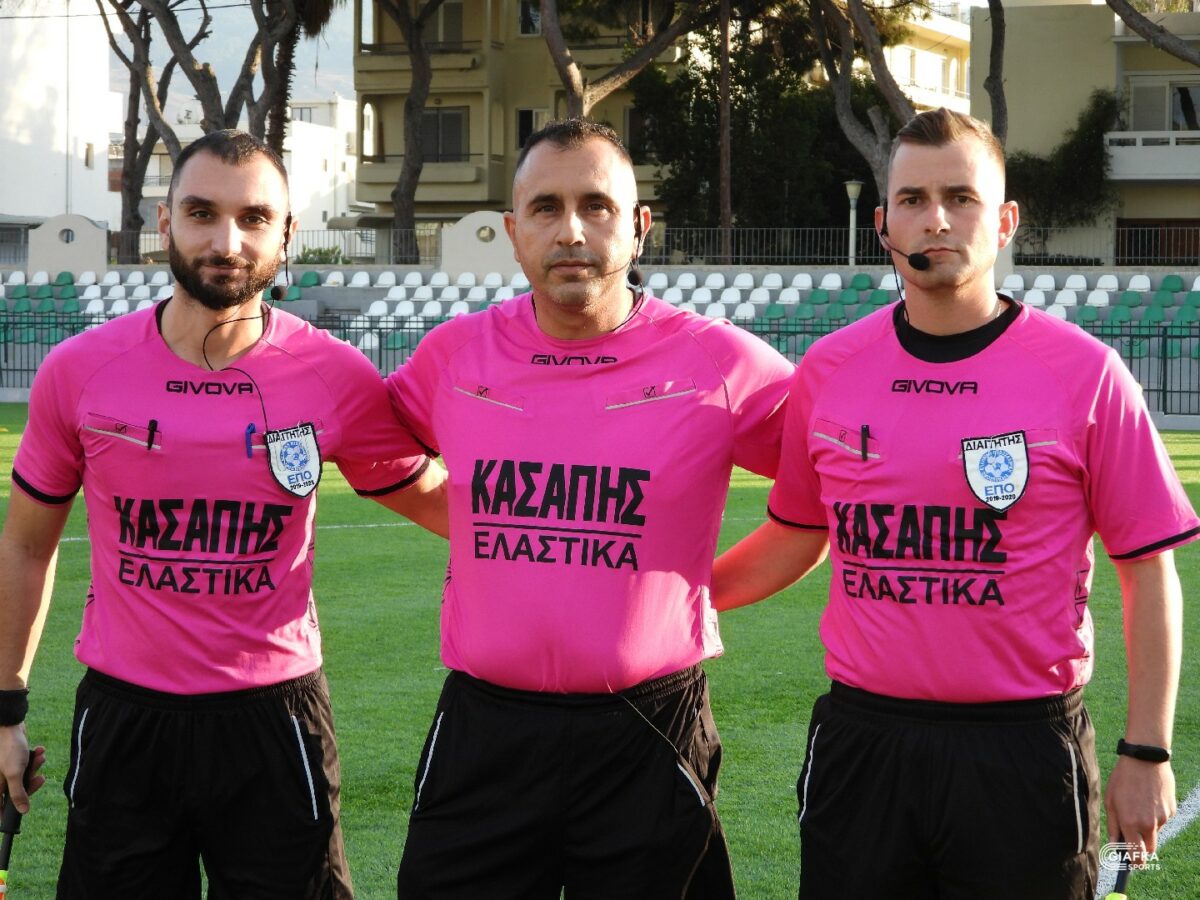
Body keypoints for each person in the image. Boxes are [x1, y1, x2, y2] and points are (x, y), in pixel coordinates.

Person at [712, 107, 1197, 899]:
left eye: (961, 198)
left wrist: (1147, 751)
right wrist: (681, 598)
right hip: (864, 743)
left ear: (1003, 221)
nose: (936, 219)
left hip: (1023, 748)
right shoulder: (830, 370)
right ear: (883, 225)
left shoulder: (1087, 375)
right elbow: (797, 534)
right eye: (913, 199)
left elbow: (1148, 571)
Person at [0, 129, 447, 899]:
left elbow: (443, 504)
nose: (226, 241)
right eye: (202, 213)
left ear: (286, 233)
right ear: (165, 221)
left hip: (275, 720)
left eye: (253, 217)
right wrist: (4, 711)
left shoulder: (335, 374)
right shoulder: (79, 372)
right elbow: (26, 547)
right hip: (125, 719)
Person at [384, 118, 794, 898]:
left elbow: (830, 489)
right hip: (485, 731)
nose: (571, 230)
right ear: (514, 233)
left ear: (639, 227)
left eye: (597, 206)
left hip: (650, 730)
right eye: (546, 208)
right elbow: (373, 448)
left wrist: (704, 589)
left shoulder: (719, 362)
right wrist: (467, 521)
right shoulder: (454, 355)